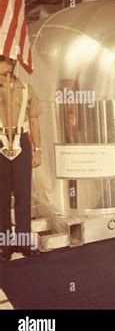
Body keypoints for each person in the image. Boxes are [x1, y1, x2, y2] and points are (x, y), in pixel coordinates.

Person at [0, 55, 42, 261]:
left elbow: (33, 121)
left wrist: (38, 150)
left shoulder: (26, 89)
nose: (9, 62)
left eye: (11, 59)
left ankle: (23, 242)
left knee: (23, 196)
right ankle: (5, 244)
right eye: (3, 59)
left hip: (21, 144)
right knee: (2, 197)